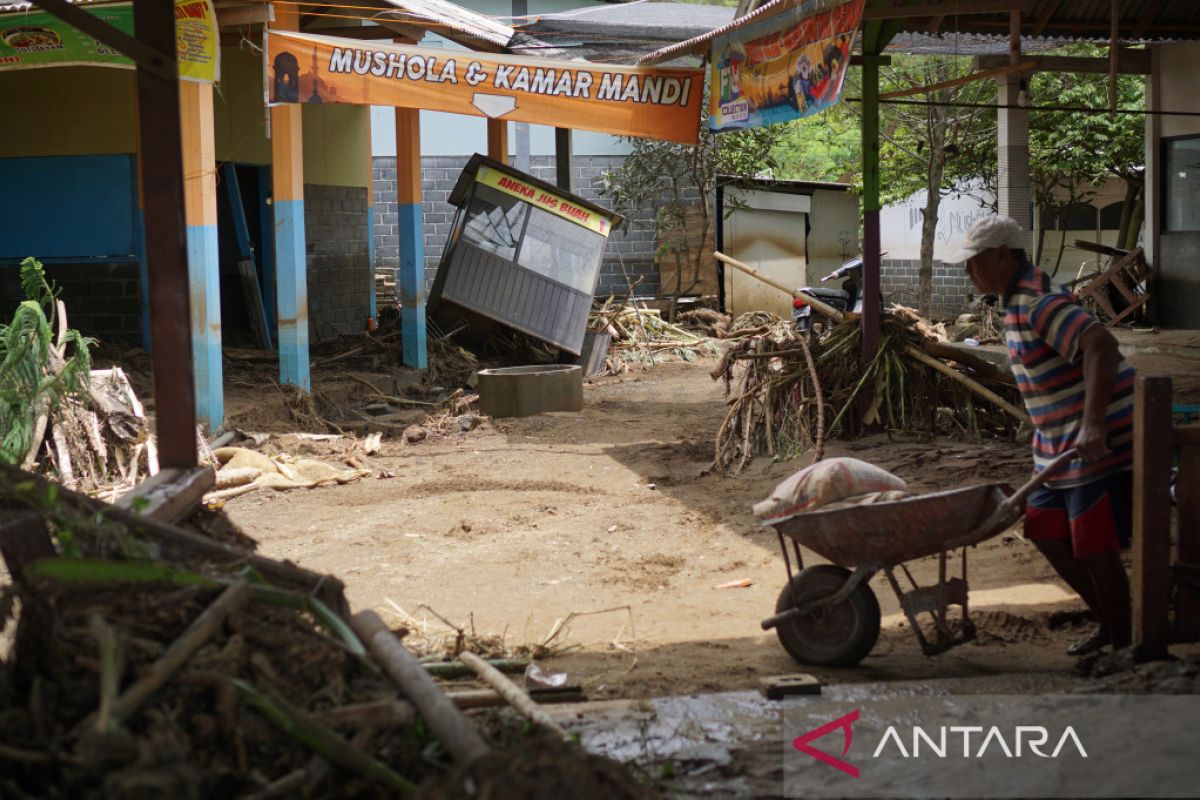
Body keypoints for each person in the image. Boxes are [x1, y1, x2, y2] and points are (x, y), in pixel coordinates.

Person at [954, 216, 1135, 656]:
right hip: (1057, 442)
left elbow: (1101, 346)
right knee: (1045, 530)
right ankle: (1112, 624)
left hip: (1095, 438)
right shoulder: (1013, 301)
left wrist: (1092, 424)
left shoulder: (1037, 302)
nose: (968, 271)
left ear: (1002, 254)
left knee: (1093, 544)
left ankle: (1128, 641)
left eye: (974, 261)